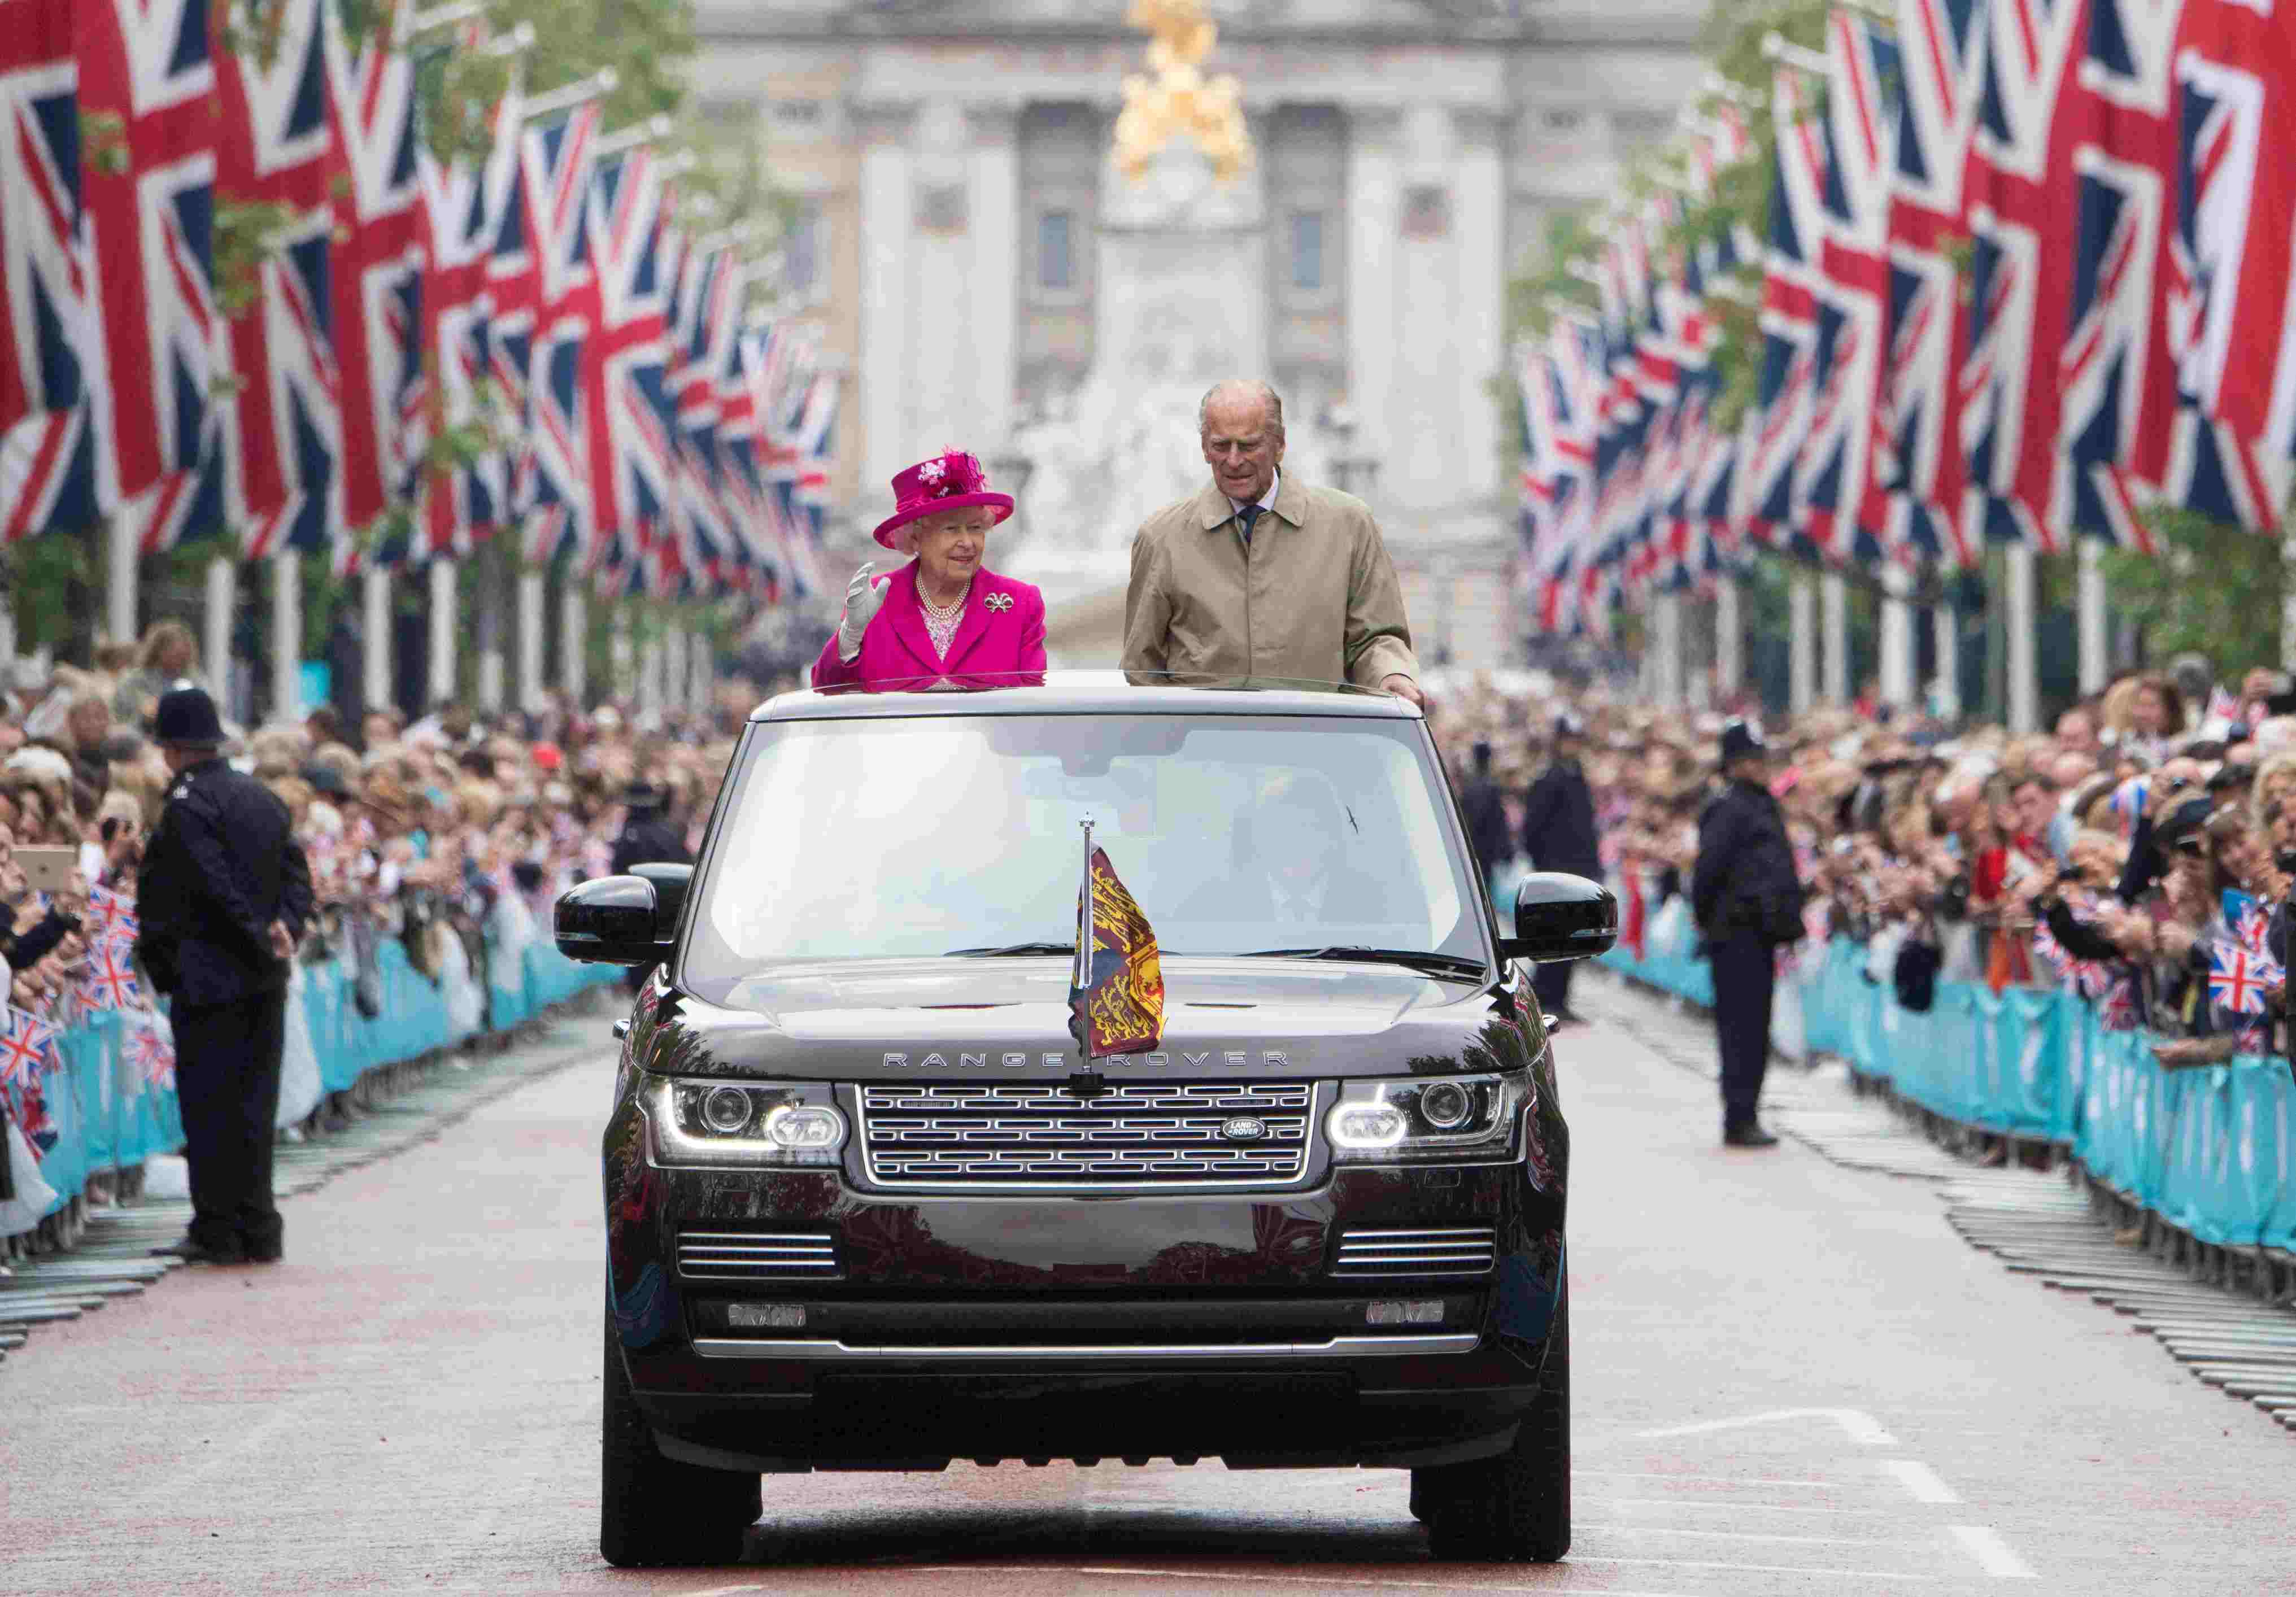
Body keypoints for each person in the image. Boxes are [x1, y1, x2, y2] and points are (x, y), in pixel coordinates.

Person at [136, 684, 312, 1265]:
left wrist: (257, 933)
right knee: (254, 1105)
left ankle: (218, 1224)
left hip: (209, 978)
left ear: (171, 748)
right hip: (266, 978)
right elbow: (296, 876)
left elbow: (210, 884)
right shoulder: (262, 797)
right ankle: (259, 1222)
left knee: (209, 1107)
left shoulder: (187, 805)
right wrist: (285, 926)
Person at [1122, 379, 1421, 703]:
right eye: (1221, 446)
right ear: (1205, 448)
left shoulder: (1350, 525)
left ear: (1280, 445)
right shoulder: (1161, 538)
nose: (1234, 461)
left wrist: (1392, 675)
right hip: (1203, 749)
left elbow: (1376, 639)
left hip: (1316, 745)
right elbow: (1143, 669)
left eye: (1249, 445)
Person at [813, 451, 1047, 690]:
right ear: (916, 538)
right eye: (952, 529)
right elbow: (827, 689)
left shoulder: (1020, 603)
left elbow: (1032, 705)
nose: (967, 542)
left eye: (976, 528)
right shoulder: (875, 600)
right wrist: (851, 635)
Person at [1691, 719, 1805, 1149]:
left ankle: (1747, 1110)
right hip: (1735, 931)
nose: (1760, 767)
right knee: (1739, 1026)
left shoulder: (1760, 804)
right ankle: (1738, 1115)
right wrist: (1712, 919)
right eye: (1750, 760)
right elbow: (1708, 871)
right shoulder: (1730, 807)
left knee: (1755, 1025)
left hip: (1760, 932)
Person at [1518, 715, 1600, 1027]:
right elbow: (1533, 830)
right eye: (1569, 740)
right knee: (1552, 937)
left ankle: (1560, 998)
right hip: (1556, 870)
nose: (1573, 746)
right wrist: (1546, 867)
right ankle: (1545, 996)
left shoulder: (1577, 777)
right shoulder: (1548, 779)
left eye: (1577, 740)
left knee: (1573, 937)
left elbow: (1586, 828)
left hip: (1579, 871)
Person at [1456, 741, 1515, 888]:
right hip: (1487, 852)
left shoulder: (1468, 788)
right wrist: (1507, 851)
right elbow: (1499, 822)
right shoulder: (1491, 788)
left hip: (1471, 850)